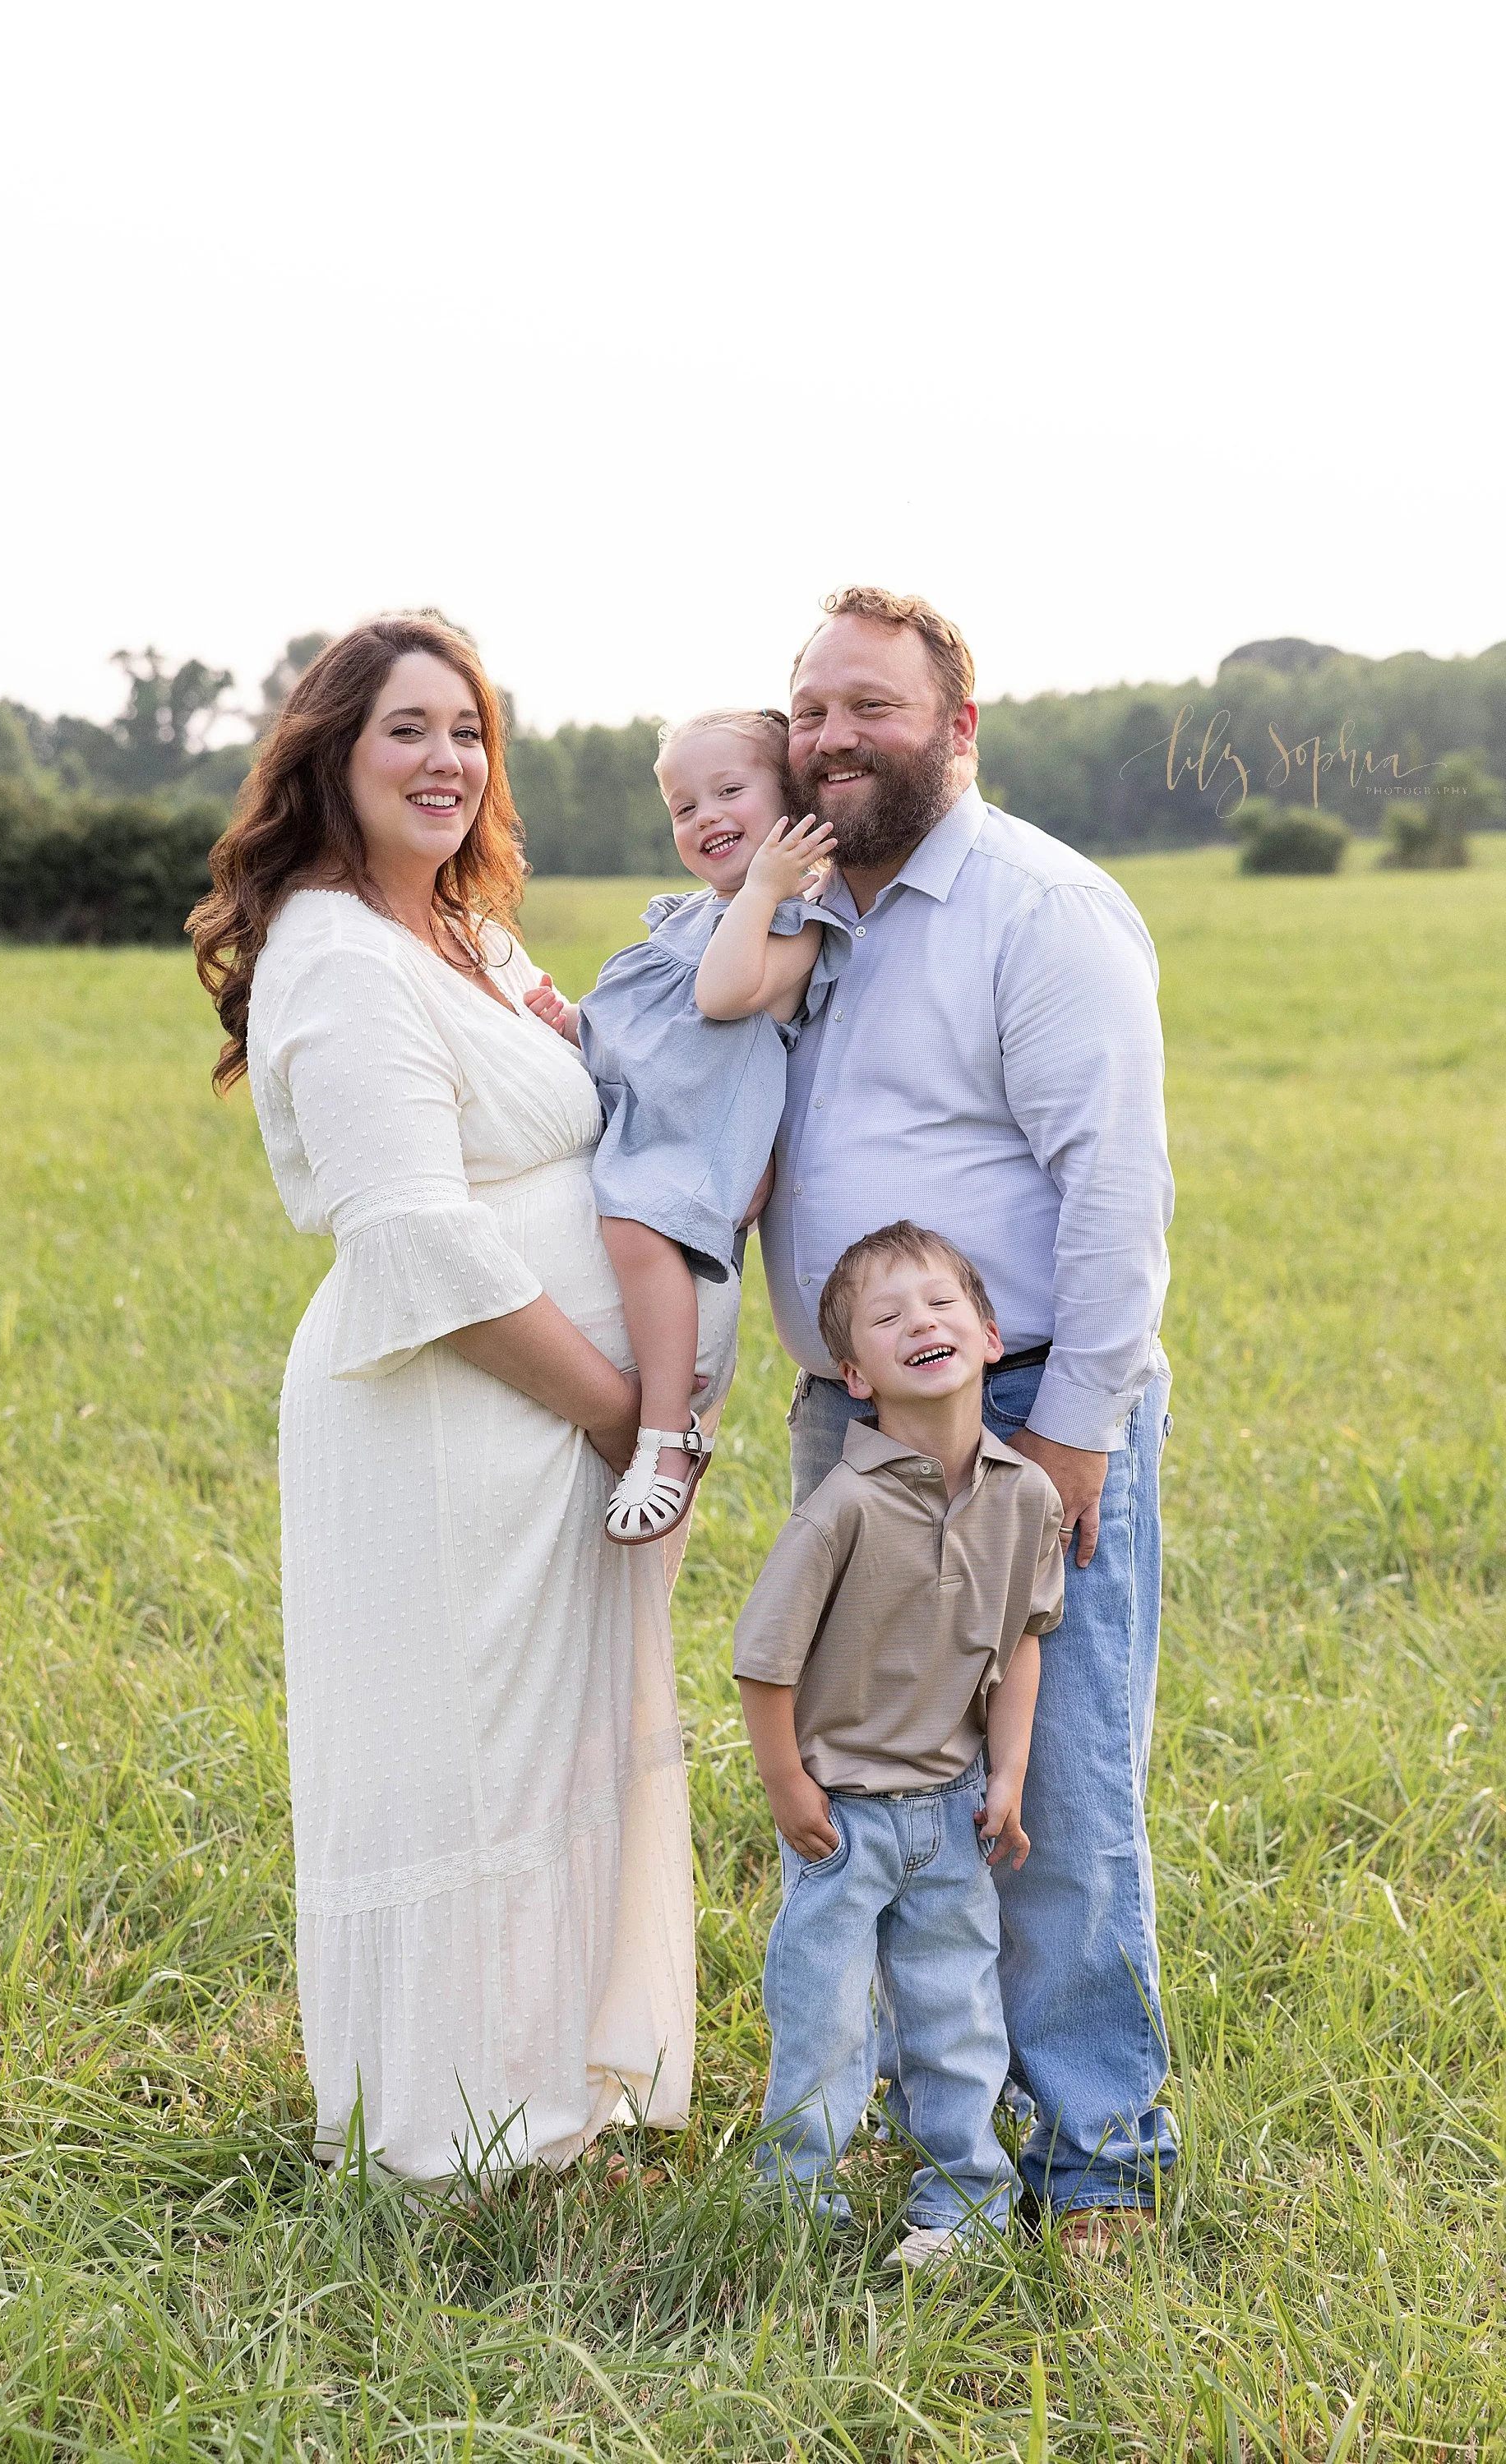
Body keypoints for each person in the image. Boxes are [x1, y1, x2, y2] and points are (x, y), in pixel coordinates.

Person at [187, 613, 694, 2184]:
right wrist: (624, 1407)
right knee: (464, 1756)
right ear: (332, 753)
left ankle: (552, 2095)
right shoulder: (337, 951)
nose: (446, 761)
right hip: (454, 1417)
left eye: (468, 730)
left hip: (539, 1424)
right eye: (407, 729)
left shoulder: (461, 932)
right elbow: (414, 1235)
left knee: (553, 1756)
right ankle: (452, 2135)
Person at [763, 584, 1176, 2252]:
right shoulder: (795, 914)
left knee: (1051, 1788)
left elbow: (1114, 1190)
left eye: (870, 704)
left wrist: (1071, 1432)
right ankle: (933, 2116)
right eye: (807, 710)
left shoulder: (1035, 906)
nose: (833, 736)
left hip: (1018, 1413)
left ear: (956, 726)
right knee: (884, 1788)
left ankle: (1097, 2160)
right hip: (846, 1422)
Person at [735, 1222, 1064, 2268]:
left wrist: (1005, 1773)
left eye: (938, 1305)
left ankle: (962, 2203)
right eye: (887, 1318)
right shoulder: (843, 1505)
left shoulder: (1026, 1496)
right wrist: (787, 1786)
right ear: (854, 1374)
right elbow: (764, 1660)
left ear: (989, 1331)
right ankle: (796, 2205)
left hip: (953, 1809)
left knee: (955, 2013)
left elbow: (1020, 1645)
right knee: (822, 2020)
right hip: (843, 1818)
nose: (918, 1322)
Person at [525, 709, 843, 1544]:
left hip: (699, 1139)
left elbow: (718, 996)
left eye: (729, 792)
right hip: (651, 1116)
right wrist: (574, 1024)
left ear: (789, 802)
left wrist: (770, 886)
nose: (703, 817)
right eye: (682, 806)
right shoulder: (691, 917)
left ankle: (668, 1435)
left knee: (634, 1223)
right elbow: (646, 1030)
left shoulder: (794, 925)